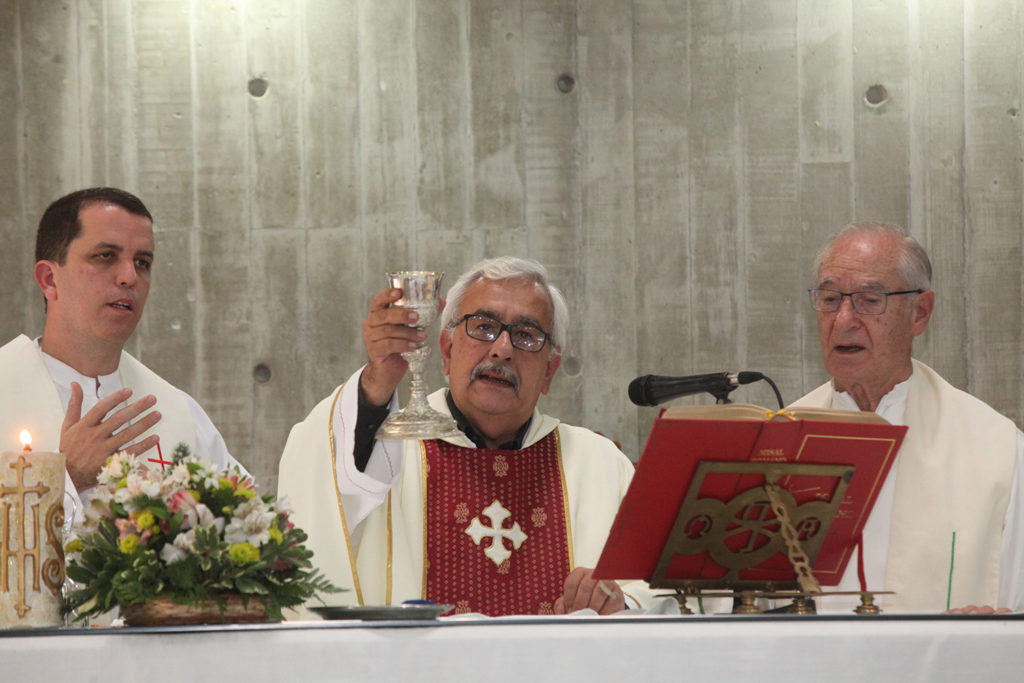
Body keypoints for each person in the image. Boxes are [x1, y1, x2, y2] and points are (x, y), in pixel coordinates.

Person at [279, 256, 649, 616]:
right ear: (446, 350)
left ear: (550, 371)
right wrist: (377, 380)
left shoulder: (599, 464)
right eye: (484, 327)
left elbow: (656, 589)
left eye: (526, 335)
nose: (502, 350)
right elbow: (317, 477)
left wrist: (620, 603)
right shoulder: (388, 446)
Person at [792, 221, 1024, 612]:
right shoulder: (778, 442)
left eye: (869, 300)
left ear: (920, 312)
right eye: (830, 299)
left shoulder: (997, 450)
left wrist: (996, 629)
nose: (843, 319)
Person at [0, 187, 243, 525]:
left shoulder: (178, 415)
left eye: (142, 262)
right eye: (105, 256)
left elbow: (251, 525)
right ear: (49, 279)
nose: (130, 277)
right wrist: (68, 477)